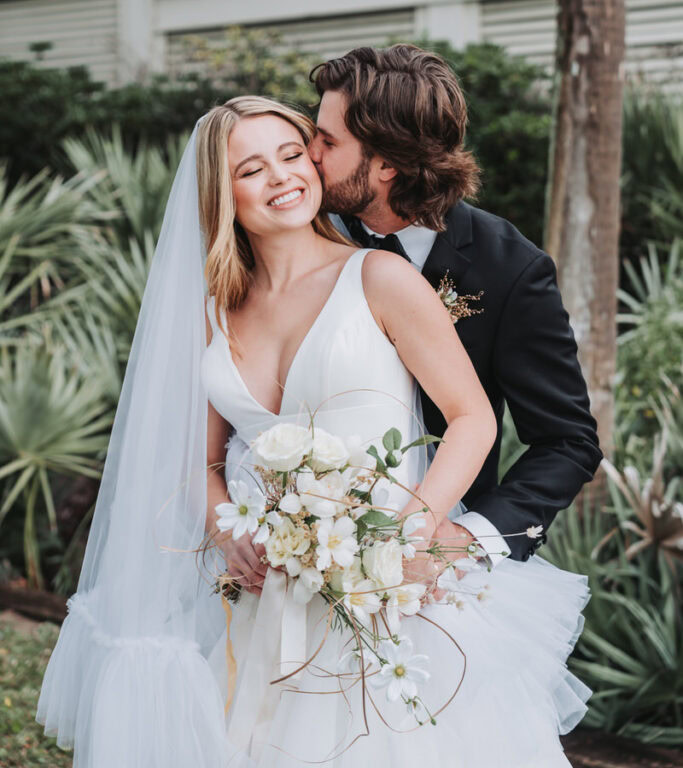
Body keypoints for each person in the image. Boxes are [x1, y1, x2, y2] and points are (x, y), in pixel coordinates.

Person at [37, 95, 591, 768]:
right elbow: (197, 458)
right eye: (250, 169)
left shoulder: (379, 277)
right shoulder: (213, 307)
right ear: (221, 193)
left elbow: (472, 418)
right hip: (258, 594)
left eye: (293, 154)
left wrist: (407, 538)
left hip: (390, 595)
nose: (281, 178)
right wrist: (225, 529)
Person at [308, 44, 603, 570]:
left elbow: (566, 442)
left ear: (387, 165)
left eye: (328, 141)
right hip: (302, 543)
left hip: (429, 572)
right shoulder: (303, 240)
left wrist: (463, 539)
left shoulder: (509, 270)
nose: (309, 153)